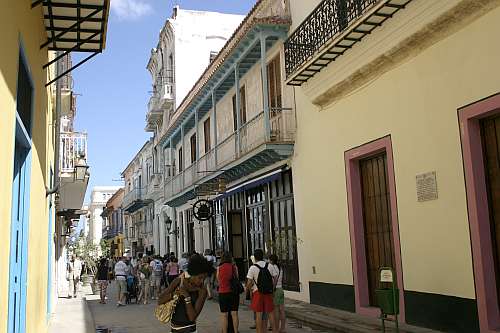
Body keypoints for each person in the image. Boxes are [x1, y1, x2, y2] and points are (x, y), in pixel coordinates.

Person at [158, 254, 215, 333]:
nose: (202, 281)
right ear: (192, 274)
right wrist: (175, 294)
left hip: (189, 330)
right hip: (173, 330)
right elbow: (160, 300)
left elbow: (192, 317)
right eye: (200, 277)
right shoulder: (178, 281)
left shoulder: (202, 291)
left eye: (204, 278)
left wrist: (186, 296)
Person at [245, 249, 279, 333]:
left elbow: (249, 282)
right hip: (268, 292)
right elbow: (275, 277)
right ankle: (275, 330)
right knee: (270, 313)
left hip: (257, 292)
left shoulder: (252, 267)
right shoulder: (269, 265)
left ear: (255, 257)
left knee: (258, 314)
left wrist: (248, 290)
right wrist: (273, 288)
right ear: (262, 256)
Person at [217, 252, 240, 333]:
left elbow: (218, 280)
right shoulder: (234, 267)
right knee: (234, 314)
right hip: (233, 293)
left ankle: (224, 331)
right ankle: (236, 331)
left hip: (223, 292)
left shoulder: (219, 268)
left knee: (224, 315)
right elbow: (237, 278)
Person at [269, 254, 286, 332]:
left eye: (269, 260)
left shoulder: (273, 267)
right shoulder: (280, 267)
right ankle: (282, 328)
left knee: (276, 310)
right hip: (281, 289)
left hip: (276, 290)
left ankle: (276, 328)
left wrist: (272, 289)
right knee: (282, 310)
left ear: (271, 260)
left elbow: (274, 279)